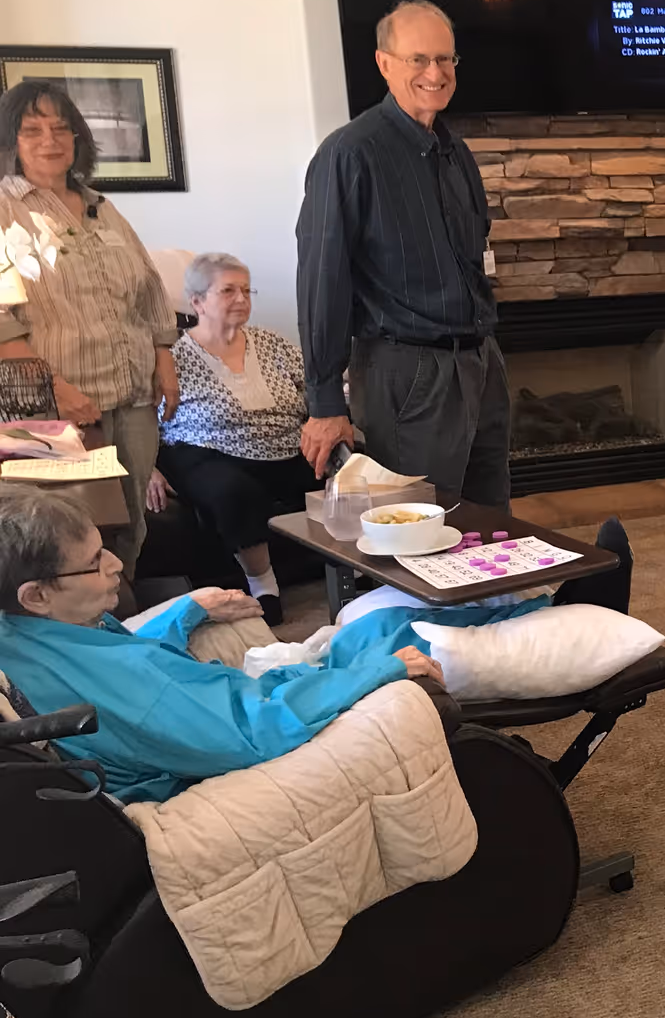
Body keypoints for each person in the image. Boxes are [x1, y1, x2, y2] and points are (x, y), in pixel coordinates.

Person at [0, 483, 442, 805]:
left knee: (370, 629)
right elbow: (252, 732)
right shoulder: (123, 685)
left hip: (205, 707)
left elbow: (121, 655)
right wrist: (376, 674)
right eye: (95, 564)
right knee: (387, 638)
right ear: (36, 595)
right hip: (236, 732)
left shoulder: (20, 633)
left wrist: (188, 610)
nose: (117, 566)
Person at [296, 0, 508, 506]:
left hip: (479, 364)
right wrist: (325, 402)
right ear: (384, 63)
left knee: (492, 524)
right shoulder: (349, 154)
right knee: (419, 535)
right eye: (418, 59)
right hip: (409, 373)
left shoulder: (456, 155)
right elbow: (322, 280)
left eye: (445, 59)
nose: (435, 73)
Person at [0, 81, 179, 569]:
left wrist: (165, 359)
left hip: (134, 399)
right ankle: (75, 637)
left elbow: (149, 290)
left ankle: (118, 624)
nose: (49, 140)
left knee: (129, 530)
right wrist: (54, 389)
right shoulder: (5, 211)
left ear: (78, 137)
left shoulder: (103, 207)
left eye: (61, 128)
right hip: (53, 408)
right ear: (10, 141)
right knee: (66, 538)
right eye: (31, 129)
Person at [151, 253, 313, 626]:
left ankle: (350, 568)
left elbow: (315, 392)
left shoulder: (273, 344)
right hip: (205, 451)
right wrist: (148, 469)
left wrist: (325, 422)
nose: (241, 299)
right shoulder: (170, 358)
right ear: (196, 302)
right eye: (228, 291)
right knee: (233, 491)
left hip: (284, 446)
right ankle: (264, 586)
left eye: (246, 290)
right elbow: (143, 418)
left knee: (347, 472)